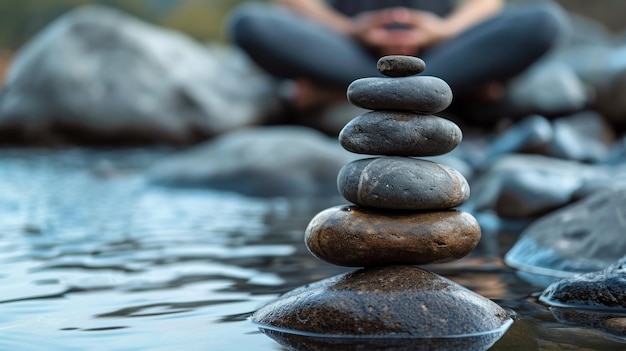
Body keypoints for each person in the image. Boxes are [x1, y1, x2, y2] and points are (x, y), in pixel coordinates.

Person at [227, 0, 567, 126]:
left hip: (438, 49)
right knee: (250, 23)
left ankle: (345, 91)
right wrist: (353, 29)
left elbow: (486, 3)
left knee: (544, 20)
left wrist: (441, 31)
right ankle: (450, 92)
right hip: (352, 49)